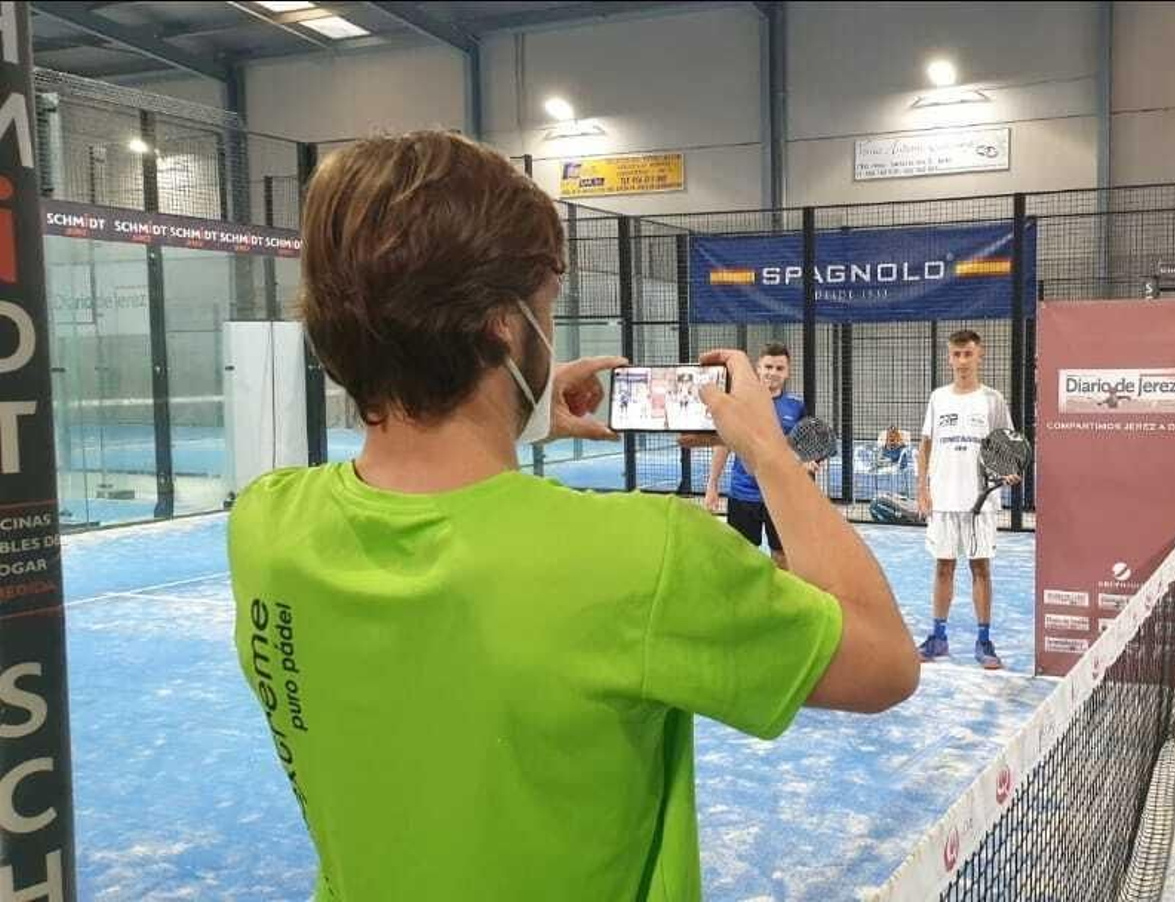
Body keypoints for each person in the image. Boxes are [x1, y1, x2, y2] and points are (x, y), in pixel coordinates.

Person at [226, 131, 918, 901]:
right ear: (502, 324)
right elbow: (886, 662)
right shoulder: (642, 556)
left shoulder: (265, 524)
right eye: (546, 308)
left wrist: (517, 415)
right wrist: (767, 449)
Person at [914, 330, 1018, 670]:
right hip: (942, 499)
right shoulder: (938, 397)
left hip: (980, 503)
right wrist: (923, 490)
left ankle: (984, 640)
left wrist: (1010, 470)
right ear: (949, 357)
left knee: (980, 568)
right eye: (956, 354)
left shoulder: (993, 399)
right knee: (943, 567)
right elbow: (925, 445)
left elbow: (1009, 444)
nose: (961, 361)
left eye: (967, 354)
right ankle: (938, 637)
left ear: (979, 355)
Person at [704, 343, 812, 570]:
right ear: (758, 368)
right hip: (743, 495)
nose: (773, 373)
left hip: (780, 496)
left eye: (779, 368)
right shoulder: (736, 402)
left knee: (782, 557)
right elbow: (724, 445)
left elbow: (802, 447)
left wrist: (805, 463)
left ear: (788, 372)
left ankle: (780, 604)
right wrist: (712, 484)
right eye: (768, 366)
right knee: (742, 558)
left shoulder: (796, 406)